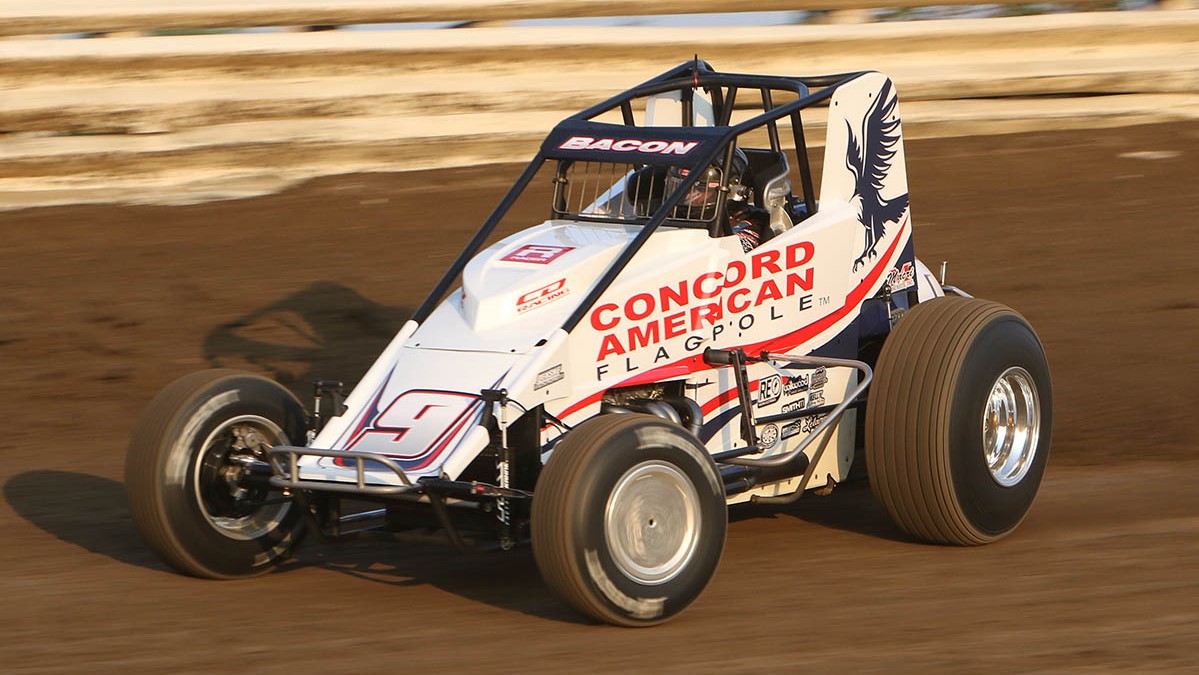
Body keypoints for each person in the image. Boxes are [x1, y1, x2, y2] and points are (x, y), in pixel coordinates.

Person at [666, 147, 770, 252]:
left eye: (699, 190)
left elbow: (731, 253)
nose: (688, 196)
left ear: (734, 192)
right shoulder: (669, 217)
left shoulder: (754, 223)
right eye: (683, 188)